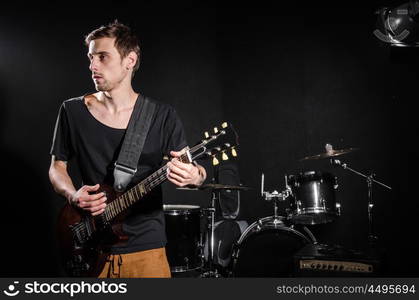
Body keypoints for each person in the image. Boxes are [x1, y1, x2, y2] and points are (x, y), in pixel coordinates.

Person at [48, 20, 206, 278]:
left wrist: (195, 176)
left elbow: (193, 171)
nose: (92, 66)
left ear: (129, 60)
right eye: (90, 58)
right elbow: (57, 167)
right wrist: (73, 195)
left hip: (146, 252)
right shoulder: (72, 110)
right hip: (90, 247)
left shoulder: (161, 116)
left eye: (102, 57)